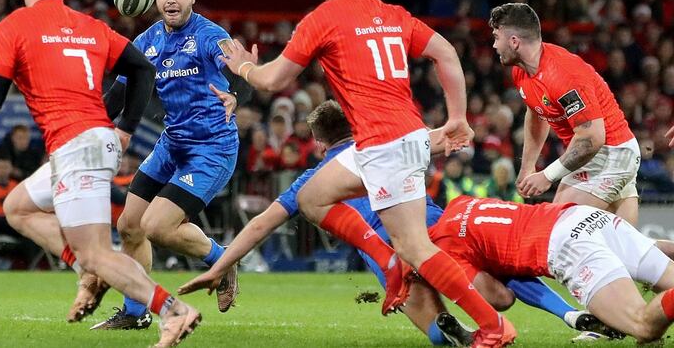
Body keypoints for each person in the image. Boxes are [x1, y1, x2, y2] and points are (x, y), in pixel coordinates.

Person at [218, 0, 512, 346]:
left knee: (416, 248)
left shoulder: (323, 18)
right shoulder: (392, 14)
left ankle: (493, 325)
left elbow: (273, 80)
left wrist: (244, 67)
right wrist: (457, 117)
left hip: (383, 144)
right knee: (312, 197)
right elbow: (446, 53)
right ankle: (389, 265)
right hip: (402, 137)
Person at [180, 101, 616, 345]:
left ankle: (456, 333)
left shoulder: (313, 180)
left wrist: (220, 266)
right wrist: (453, 130)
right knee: (499, 280)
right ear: (355, 127)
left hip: (386, 254)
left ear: (319, 144)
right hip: (434, 228)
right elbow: (442, 138)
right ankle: (569, 314)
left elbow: (260, 224)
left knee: (434, 322)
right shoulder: (388, 145)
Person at [0, 0, 198, 347]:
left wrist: (2, 67)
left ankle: (173, 310)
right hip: (94, 141)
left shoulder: (15, 26)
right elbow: (142, 69)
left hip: (77, 147)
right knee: (18, 206)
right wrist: (127, 128)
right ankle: (86, 272)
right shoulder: (89, 25)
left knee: (98, 252)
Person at [91, 0, 252, 330]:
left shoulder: (209, 35)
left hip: (211, 148)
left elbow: (242, 71)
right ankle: (135, 313)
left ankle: (223, 260)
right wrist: (86, 124)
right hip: (171, 144)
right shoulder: (146, 43)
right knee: (130, 225)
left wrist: (237, 95)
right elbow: (118, 95)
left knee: (157, 227)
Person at [429, 195, 674, 344]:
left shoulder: (445, 246)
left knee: (643, 326)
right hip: (587, 216)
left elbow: (500, 298)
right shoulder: (460, 203)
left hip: (566, 243)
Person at [489, 3, 641, 224]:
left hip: (608, 153)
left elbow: (592, 138)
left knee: (556, 231)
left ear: (514, 42)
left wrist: (547, 176)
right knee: (625, 244)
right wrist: (528, 166)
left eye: (496, 37)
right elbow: (537, 112)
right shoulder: (522, 71)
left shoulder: (562, 75)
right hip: (603, 153)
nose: (494, 45)